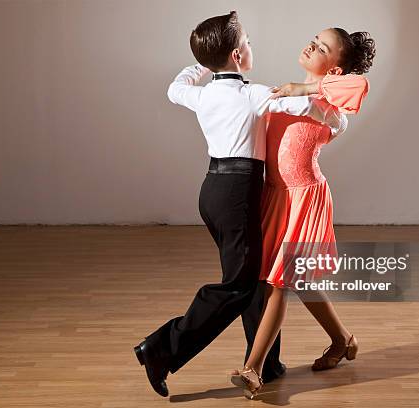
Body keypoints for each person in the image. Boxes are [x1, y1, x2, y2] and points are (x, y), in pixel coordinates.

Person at [133, 11, 348, 397]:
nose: (252, 46)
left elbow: (174, 88)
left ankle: (267, 362)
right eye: (247, 42)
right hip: (239, 195)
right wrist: (306, 94)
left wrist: (200, 64)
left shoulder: (202, 93)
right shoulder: (254, 93)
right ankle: (161, 348)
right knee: (239, 284)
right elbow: (310, 109)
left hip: (212, 192)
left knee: (256, 278)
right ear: (236, 55)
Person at [230, 27, 375, 399]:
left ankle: (253, 369)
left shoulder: (333, 110)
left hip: (306, 199)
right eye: (315, 38)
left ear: (335, 71)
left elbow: (358, 87)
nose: (312, 44)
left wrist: (302, 89)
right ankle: (343, 340)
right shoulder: (286, 93)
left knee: (280, 282)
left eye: (323, 47)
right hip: (278, 197)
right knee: (297, 281)